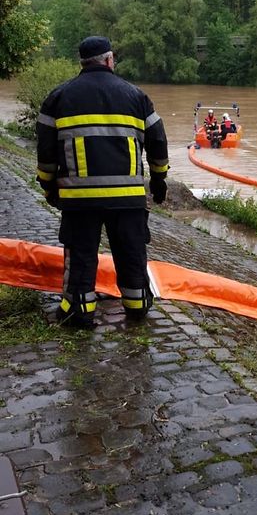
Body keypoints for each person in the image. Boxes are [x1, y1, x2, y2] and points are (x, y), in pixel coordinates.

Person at [36, 36, 169, 329]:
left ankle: (79, 312)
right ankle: (137, 307)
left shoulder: (58, 97)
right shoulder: (137, 96)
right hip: (129, 198)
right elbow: (158, 142)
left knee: (81, 256)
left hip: (79, 200)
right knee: (132, 252)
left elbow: (45, 152)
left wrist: (48, 186)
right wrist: (159, 181)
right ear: (110, 60)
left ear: (81, 62)